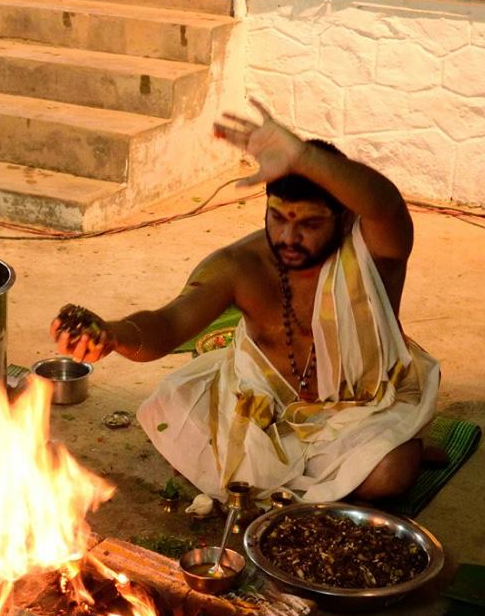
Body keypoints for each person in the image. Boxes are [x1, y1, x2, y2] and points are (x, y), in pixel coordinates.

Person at [52, 108, 438, 502]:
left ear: (344, 219)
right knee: (182, 435)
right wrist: (114, 335)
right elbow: (168, 324)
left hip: (361, 408)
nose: (289, 237)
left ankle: (379, 452)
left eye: (308, 224)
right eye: (278, 218)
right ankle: (340, 474)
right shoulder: (239, 266)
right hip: (262, 411)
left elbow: (387, 205)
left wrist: (303, 157)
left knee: (390, 475)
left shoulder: (373, 253)